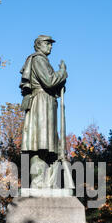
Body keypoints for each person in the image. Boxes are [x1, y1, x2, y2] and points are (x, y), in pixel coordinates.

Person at [20, 35, 68, 168]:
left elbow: (52, 83)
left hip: (46, 101)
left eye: (51, 43)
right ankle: (38, 181)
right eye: (48, 43)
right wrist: (62, 72)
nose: (51, 46)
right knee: (40, 144)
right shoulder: (39, 59)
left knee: (45, 145)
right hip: (42, 102)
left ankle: (43, 179)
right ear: (39, 45)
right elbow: (49, 81)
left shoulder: (42, 60)